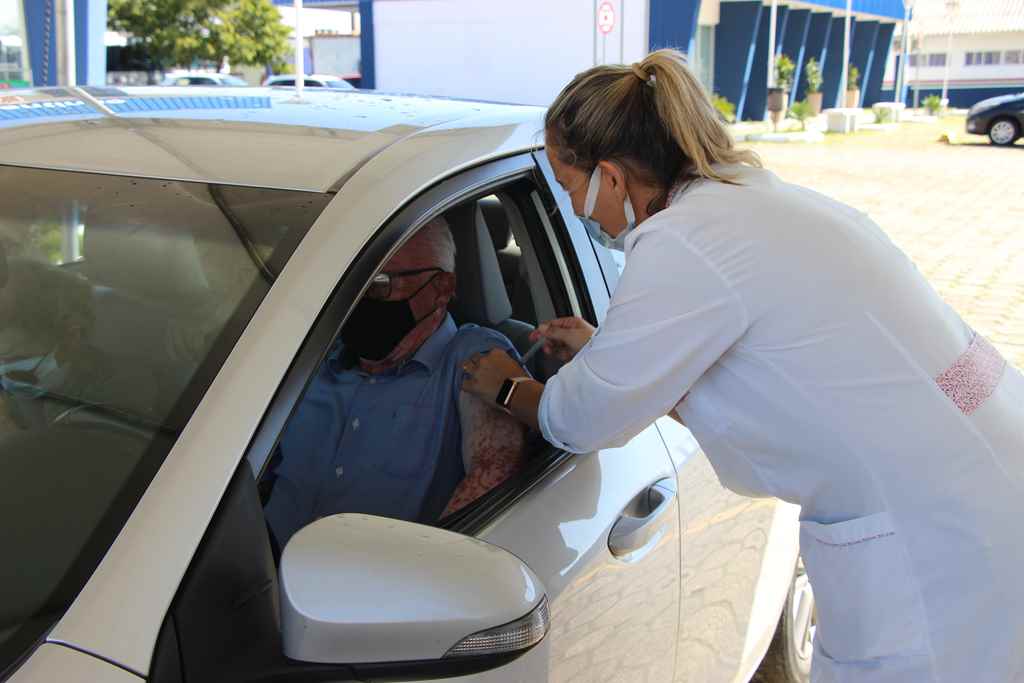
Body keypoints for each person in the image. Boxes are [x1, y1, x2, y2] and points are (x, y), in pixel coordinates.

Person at [462, 49, 1024, 683]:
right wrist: (605, 351)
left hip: (935, 539)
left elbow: (583, 418)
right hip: (988, 470)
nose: (580, 211)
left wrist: (508, 387)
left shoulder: (682, 242)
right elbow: (753, 355)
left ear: (611, 177)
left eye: (570, 189)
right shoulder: (748, 202)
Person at [263, 217, 527, 548]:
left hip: (376, 586)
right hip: (255, 572)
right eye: (354, 280)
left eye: (381, 283)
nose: (361, 298)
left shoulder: (474, 359)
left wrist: (413, 577)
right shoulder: (317, 355)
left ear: (441, 288)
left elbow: (494, 472)